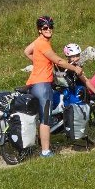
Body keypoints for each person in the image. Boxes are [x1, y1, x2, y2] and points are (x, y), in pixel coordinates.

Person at [23, 16, 81, 157]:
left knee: (38, 116)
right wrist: (75, 69)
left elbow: (26, 51)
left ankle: (40, 143)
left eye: (50, 27)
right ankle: (45, 151)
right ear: (39, 30)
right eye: (45, 28)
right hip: (43, 85)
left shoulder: (37, 42)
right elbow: (59, 61)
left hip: (32, 84)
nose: (48, 30)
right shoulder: (44, 44)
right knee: (45, 118)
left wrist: (40, 62)